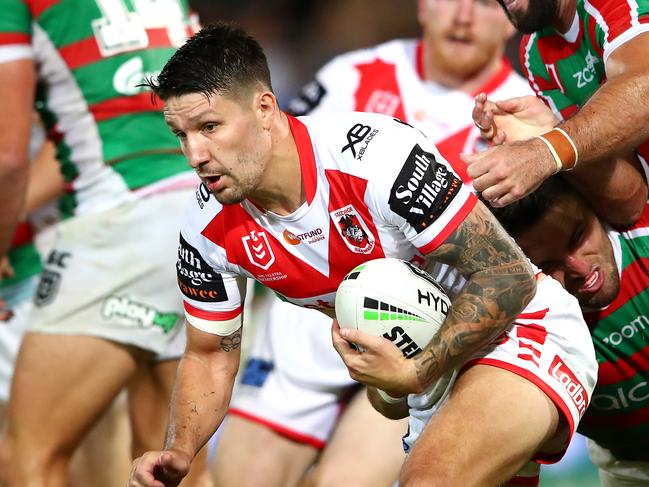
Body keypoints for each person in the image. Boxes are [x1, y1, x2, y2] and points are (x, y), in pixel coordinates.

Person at [128, 23, 598, 487]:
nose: (195, 154)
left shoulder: (375, 156)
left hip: (518, 330)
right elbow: (210, 354)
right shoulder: (205, 228)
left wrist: (416, 371)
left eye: (210, 127)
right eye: (181, 134)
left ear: (265, 108)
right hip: (428, 374)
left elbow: (506, 274)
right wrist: (181, 448)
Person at [213, 1, 534, 485]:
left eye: (487, 2)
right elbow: (260, 173)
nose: (463, 16)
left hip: (422, 332)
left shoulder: (526, 112)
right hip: (308, 326)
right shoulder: (353, 75)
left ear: (514, 13)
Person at [0, 1, 212, 485]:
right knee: (170, 465)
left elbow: (10, 155)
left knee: (27, 457)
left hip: (121, 215)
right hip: (202, 211)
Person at [488, 176, 649, 486]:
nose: (580, 268)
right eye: (549, 266)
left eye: (578, 237)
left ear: (595, 209)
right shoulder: (522, 338)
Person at [461, 0, 649, 218]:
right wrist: (548, 131)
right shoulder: (534, 52)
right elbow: (631, 201)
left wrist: (545, 150)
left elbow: (644, 89)